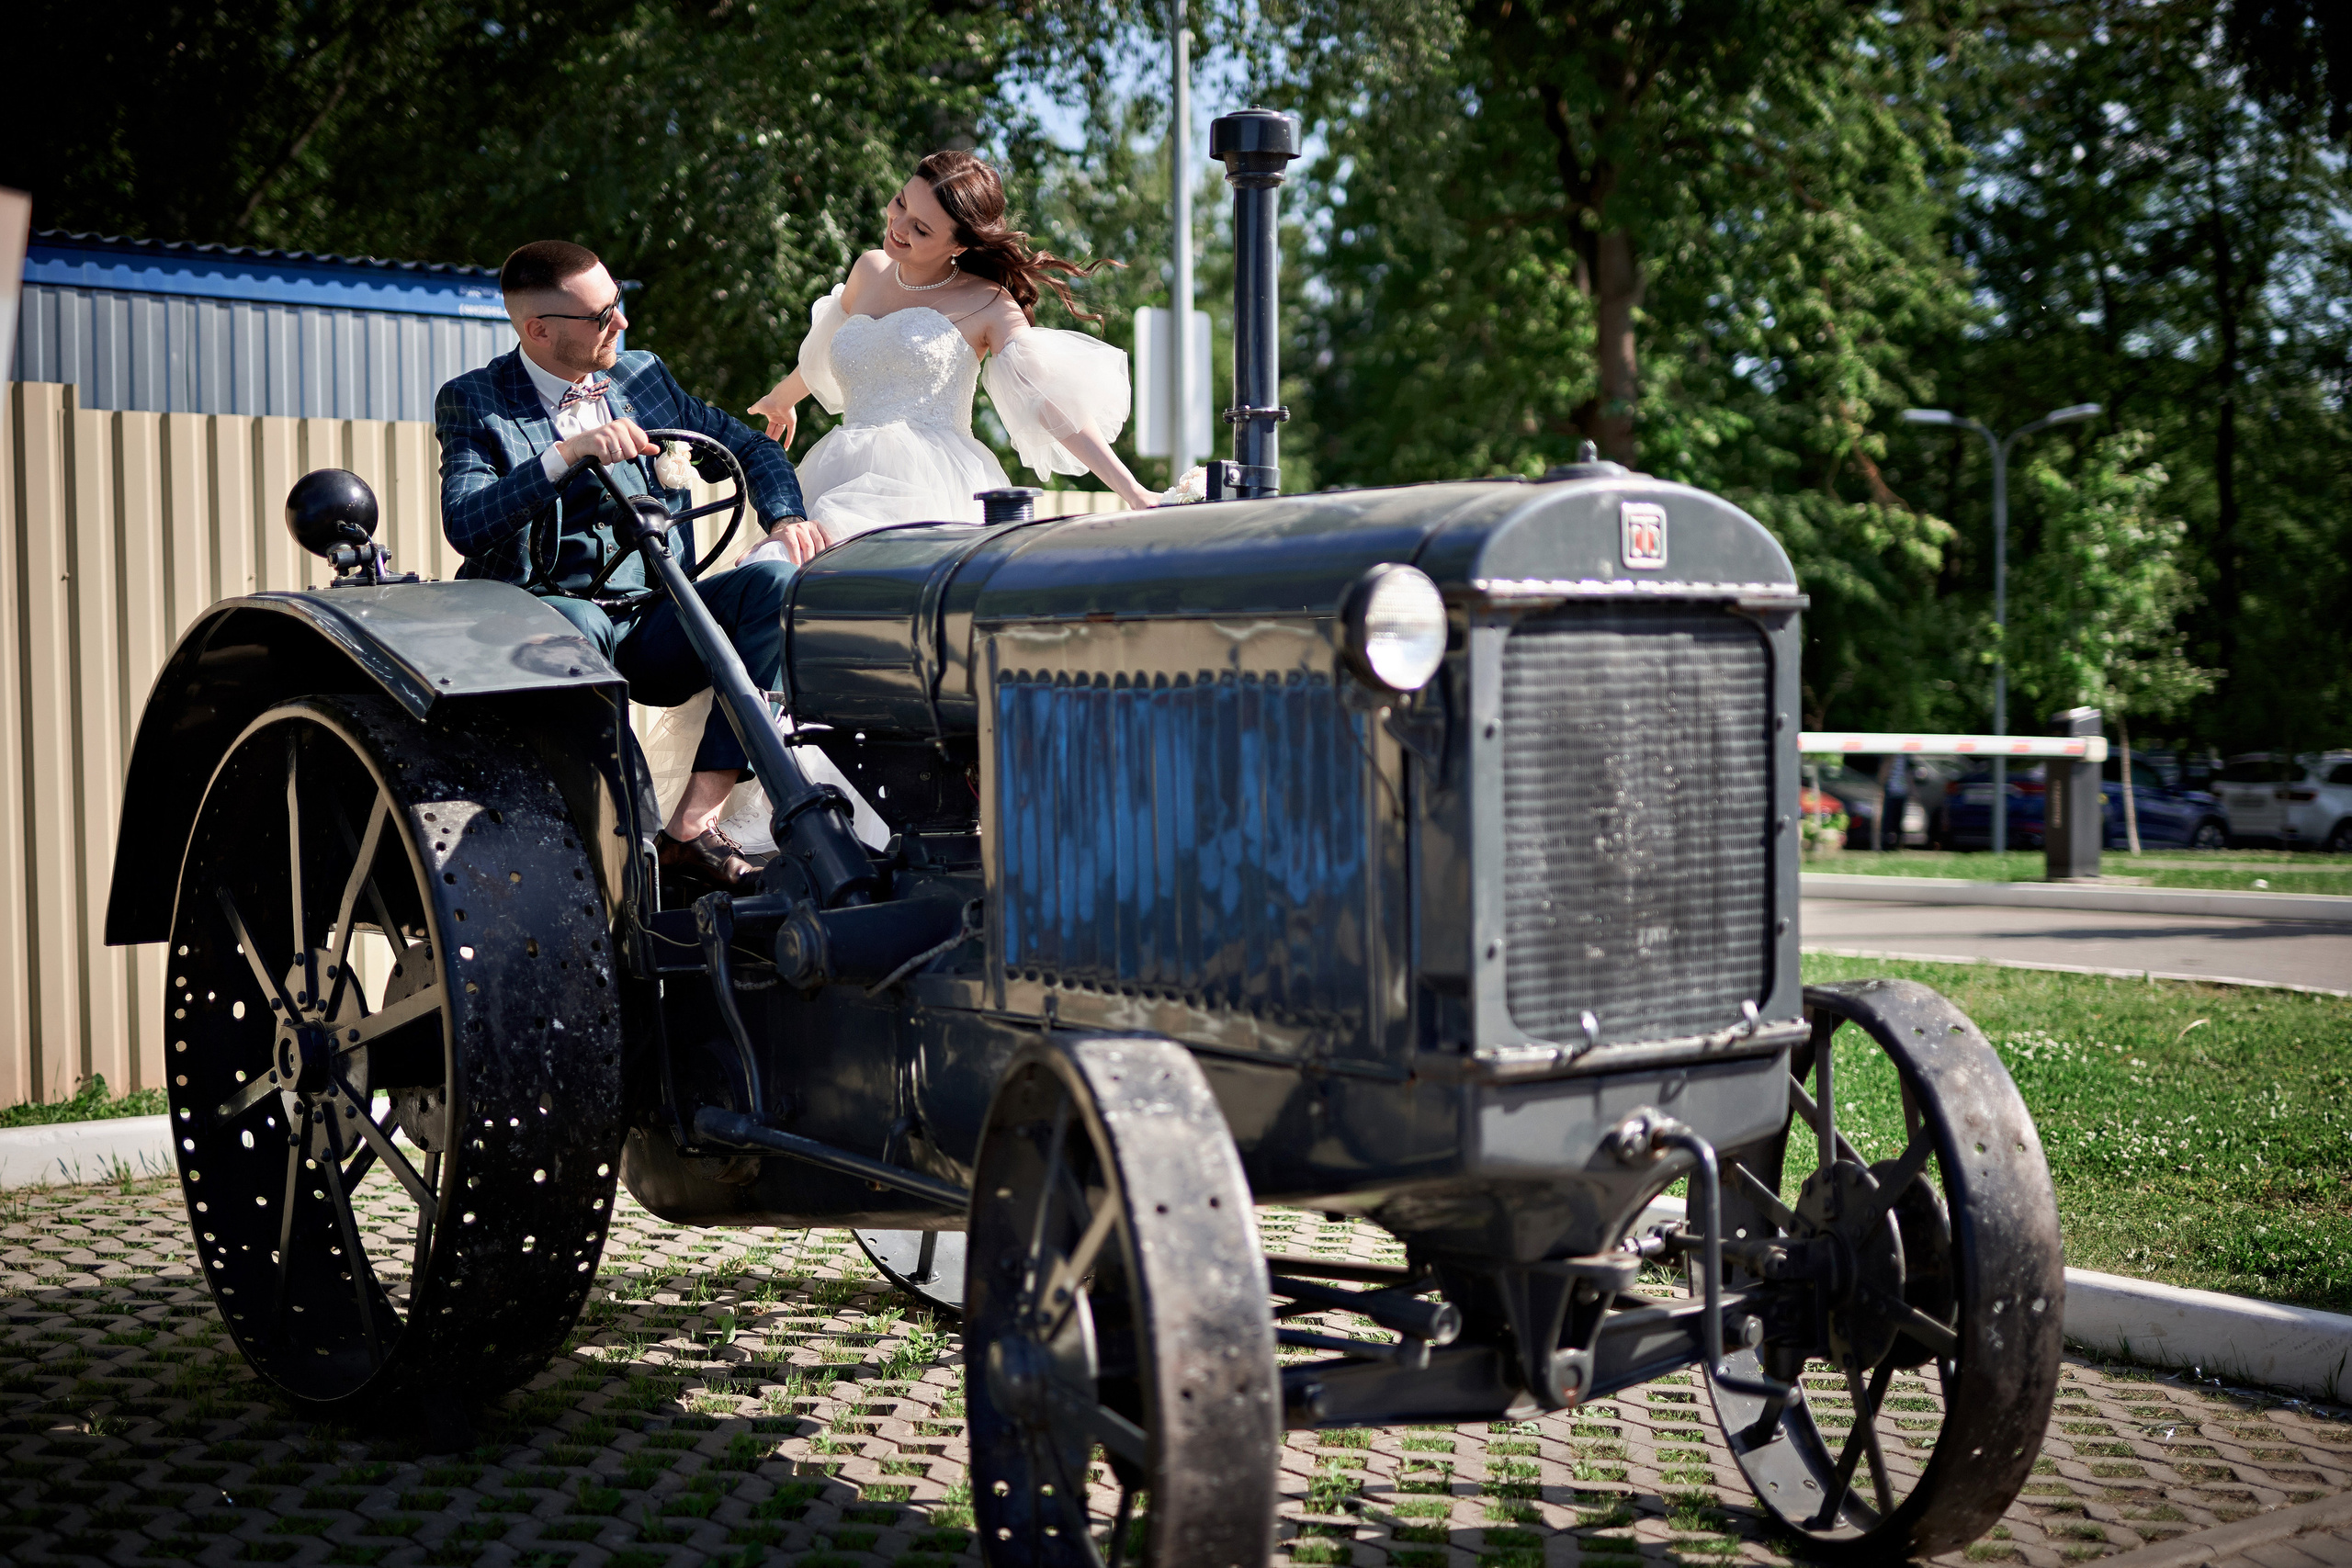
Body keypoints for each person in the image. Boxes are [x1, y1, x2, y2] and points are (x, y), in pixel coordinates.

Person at [435, 238, 808, 893]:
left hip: (655, 621)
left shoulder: (642, 376)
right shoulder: (475, 400)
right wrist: (564, 454)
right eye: (602, 315)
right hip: (552, 619)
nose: (622, 323)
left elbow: (748, 443)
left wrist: (785, 518)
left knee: (776, 584)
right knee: (574, 624)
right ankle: (629, 838)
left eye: (618, 305)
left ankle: (691, 829)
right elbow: (465, 522)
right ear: (538, 330)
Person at [745, 148, 1158, 555]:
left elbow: (1049, 403)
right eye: (900, 203)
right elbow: (829, 350)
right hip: (840, 472)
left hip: (927, 485)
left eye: (921, 229)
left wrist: (1135, 493)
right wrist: (782, 399)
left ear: (958, 245)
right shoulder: (868, 270)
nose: (899, 226)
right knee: (780, 568)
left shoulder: (988, 302)